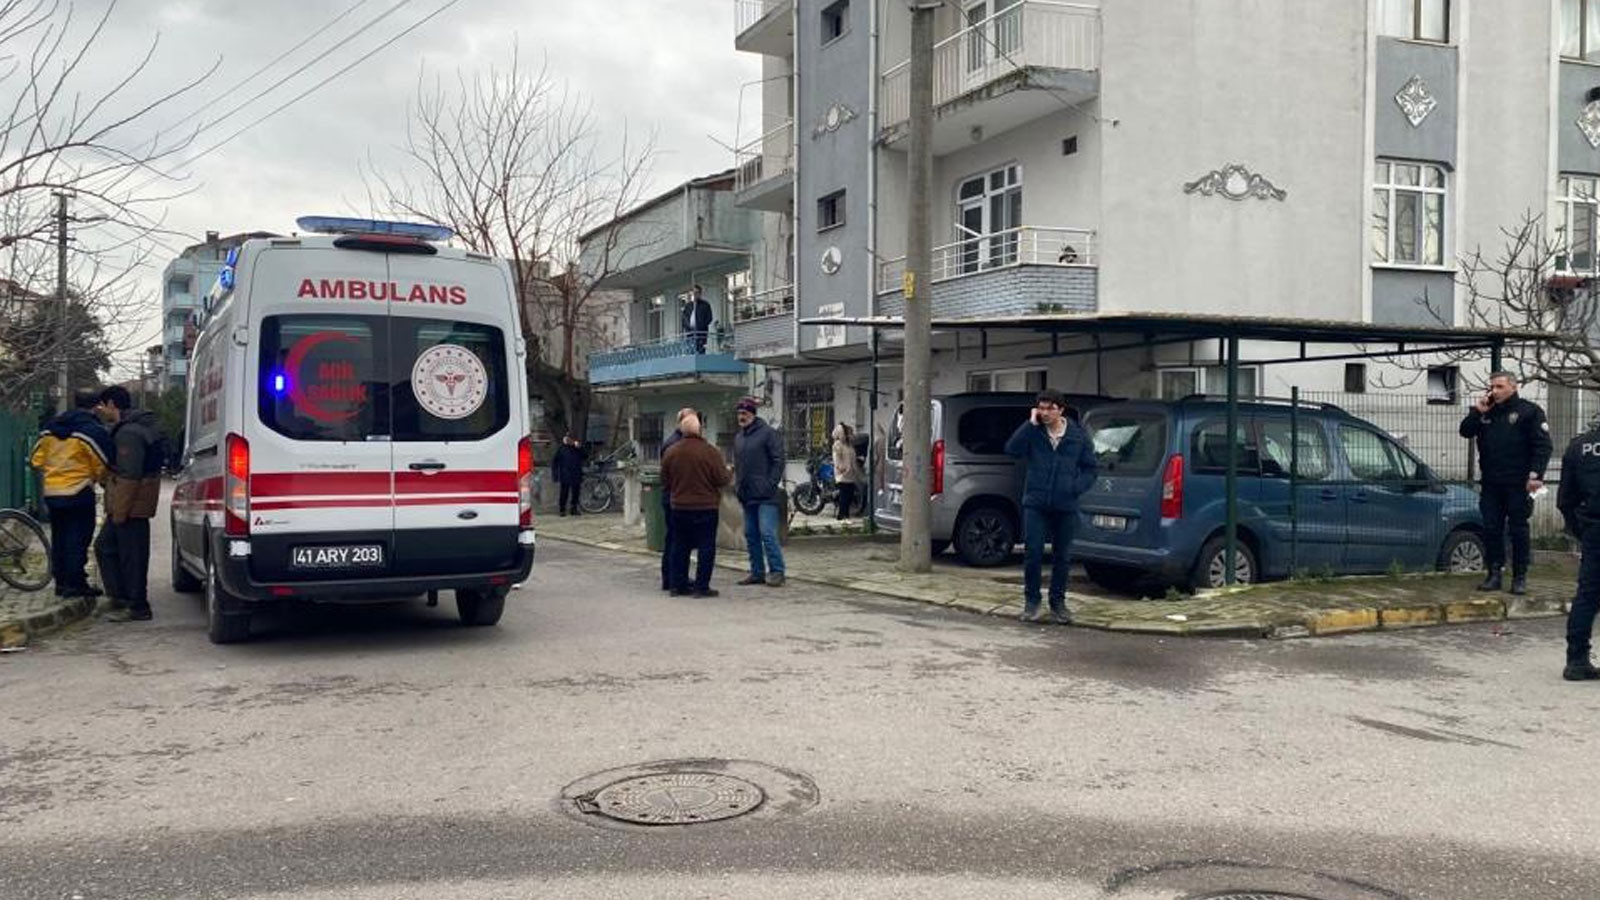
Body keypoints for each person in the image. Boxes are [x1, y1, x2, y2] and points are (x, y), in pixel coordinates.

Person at [1004, 388, 1098, 624]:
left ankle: (1058, 603)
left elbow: (1090, 468)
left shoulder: (1077, 436)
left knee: (1062, 556)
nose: (1045, 413)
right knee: (1033, 552)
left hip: (1065, 503)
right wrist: (1029, 424)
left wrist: (1075, 487)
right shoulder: (1033, 433)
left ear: (1061, 410)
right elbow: (1012, 449)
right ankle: (1032, 602)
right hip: (1036, 502)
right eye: (1041, 408)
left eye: (1050, 408)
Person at [1459, 371, 1552, 596]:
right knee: (1492, 528)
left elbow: (1542, 446)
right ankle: (1494, 573)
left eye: (1499, 387)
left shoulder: (1529, 412)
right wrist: (1477, 412)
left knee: (1518, 528)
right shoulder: (1487, 412)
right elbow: (1465, 431)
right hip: (1492, 482)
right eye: (1492, 387)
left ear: (1513, 386)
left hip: (1518, 483)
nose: (1494, 391)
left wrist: (1535, 475)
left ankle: (1520, 576)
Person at [29, 390, 114, 599]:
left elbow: (35, 460)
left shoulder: (50, 429)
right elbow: (103, 462)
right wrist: (94, 478)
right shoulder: (92, 431)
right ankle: (75, 584)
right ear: (96, 406)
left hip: (52, 492)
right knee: (78, 538)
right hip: (79, 490)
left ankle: (61, 582)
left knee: (60, 537)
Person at [93, 386, 166, 622]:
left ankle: (136, 605)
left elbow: (129, 476)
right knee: (106, 547)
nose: (100, 410)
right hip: (132, 503)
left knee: (131, 556)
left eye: (102, 405)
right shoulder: (135, 427)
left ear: (112, 404)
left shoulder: (129, 434)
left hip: (131, 506)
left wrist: (119, 512)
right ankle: (122, 598)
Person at [661, 412, 730, 597]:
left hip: (679, 507)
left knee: (679, 545)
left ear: (681, 430)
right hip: (705, 507)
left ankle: (677, 585)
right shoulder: (710, 451)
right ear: (700, 429)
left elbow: (665, 481)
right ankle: (701, 587)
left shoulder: (671, 451)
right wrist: (728, 472)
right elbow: (722, 479)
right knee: (706, 547)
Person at [1557, 423, 1600, 681]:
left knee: (1587, 595)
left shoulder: (1580, 446)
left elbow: (1565, 500)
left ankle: (1576, 659)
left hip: (1594, 530)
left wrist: (1582, 530)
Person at [733, 396, 786, 587]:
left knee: (767, 533)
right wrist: (737, 486)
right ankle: (757, 572)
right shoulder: (739, 437)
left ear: (753, 414)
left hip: (766, 495)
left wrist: (769, 485)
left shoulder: (768, 434)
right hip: (747, 495)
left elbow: (778, 461)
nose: (741, 417)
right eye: (739, 413)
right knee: (751, 534)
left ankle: (777, 571)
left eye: (745, 413)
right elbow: (739, 465)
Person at [658, 408, 696, 591]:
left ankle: (671, 577)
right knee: (677, 540)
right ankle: (675, 578)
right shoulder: (675, 444)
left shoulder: (672, 442)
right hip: (676, 497)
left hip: (672, 496)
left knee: (673, 539)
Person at [551, 435, 586, 517]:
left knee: (576, 493)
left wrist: (580, 448)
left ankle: (574, 509)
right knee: (564, 493)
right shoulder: (562, 449)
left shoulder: (576, 449)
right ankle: (562, 509)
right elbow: (555, 462)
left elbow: (585, 456)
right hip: (565, 474)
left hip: (576, 473)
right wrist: (555, 474)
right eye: (567, 440)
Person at [831, 423, 861, 520]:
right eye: (847, 433)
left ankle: (846, 515)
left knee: (849, 495)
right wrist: (840, 468)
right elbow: (836, 458)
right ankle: (841, 515)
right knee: (844, 495)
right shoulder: (838, 444)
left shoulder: (849, 445)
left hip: (850, 475)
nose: (849, 435)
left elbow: (853, 459)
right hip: (843, 475)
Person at [681, 285, 714, 355]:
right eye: (694, 293)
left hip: (701, 333)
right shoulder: (688, 305)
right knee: (690, 351)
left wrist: (701, 325)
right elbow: (684, 318)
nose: (695, 295)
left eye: (697, 293)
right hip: (690, 333)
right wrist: (688, 327)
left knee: (700, 351)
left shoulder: (705, 305)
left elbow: (709, 318)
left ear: (700, 293)